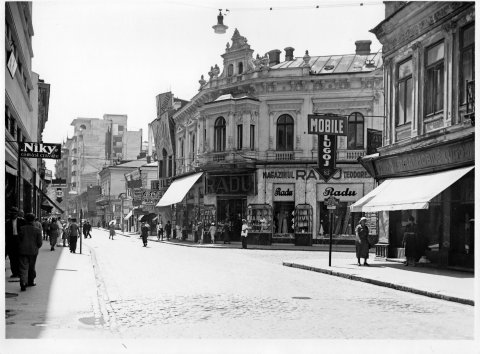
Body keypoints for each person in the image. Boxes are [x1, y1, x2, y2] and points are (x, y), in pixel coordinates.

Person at [18, 213, 43, 291]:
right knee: (31, 267)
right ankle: (30, 282)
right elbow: (40, 243)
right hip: (33, 251)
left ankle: (23, 282)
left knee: (23, 267)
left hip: (22, 251)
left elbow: (18, 240)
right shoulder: (37, 230)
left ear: (25, 219)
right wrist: (36, 247)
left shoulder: (21, 229)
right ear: (33, 220)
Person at [5, 207, 25, 278]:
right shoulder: (7, 223)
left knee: (19, 258)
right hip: (11, 241)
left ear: (17, 214)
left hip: (19, 241)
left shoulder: (22, 221)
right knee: (12, 258)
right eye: (12, 214)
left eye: (15, 214)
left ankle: (20, 272)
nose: (13, 215)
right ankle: (14, 273)